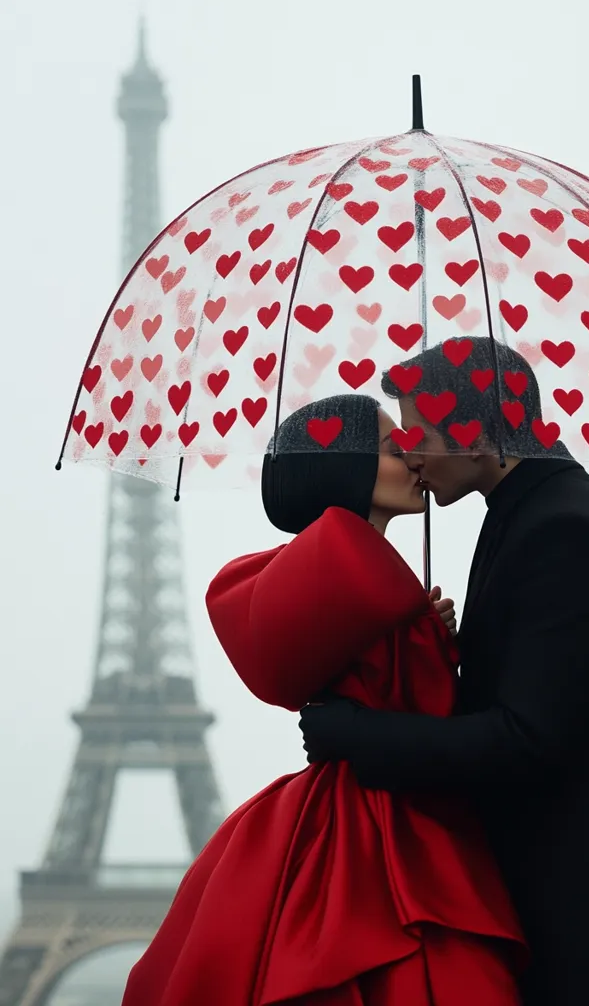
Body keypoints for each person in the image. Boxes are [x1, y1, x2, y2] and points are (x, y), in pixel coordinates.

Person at [299, 340, 589, 1006]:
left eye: (418, 433)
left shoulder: (563, 532)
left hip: (586, 908)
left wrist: (358, 735)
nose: (409, 454)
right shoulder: (535, 515)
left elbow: (526, 741)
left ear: (477, 431)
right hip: (572, 889)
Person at [120, 393, 527, 1006]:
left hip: (367, 816)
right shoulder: (350, 572)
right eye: (394, 449)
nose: (415, 455)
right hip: (386, 829)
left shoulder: (364, 580)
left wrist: (422, 630)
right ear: (350, 468)